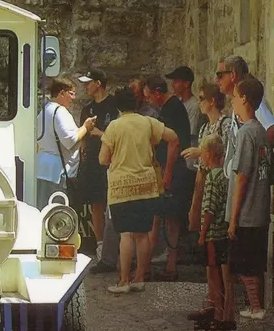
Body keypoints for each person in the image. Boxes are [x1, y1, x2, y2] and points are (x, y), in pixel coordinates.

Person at [99, 87, 180, 294]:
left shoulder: (114, 127)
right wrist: (167, 170)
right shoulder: (147, 122)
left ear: (118, 106)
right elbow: (173, 138)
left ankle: (124, 280)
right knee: (142, 234)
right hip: (146, 186)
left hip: (121, 188)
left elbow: (103, 159)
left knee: (126, 234)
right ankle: (139, 278)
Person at [226, 77, 271, 320]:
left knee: (246, 263)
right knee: (256, 261)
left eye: (234, 96)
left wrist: (233, 218)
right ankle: (257, 305)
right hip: (261, 209)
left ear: (244, 98)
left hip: (248, 211)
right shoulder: (262, 132)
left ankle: (256, 306)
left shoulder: (245, 133)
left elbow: (242, 177)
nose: (232, 100)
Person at [144, 75, 194, 281]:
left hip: (174, 170)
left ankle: (166, 265)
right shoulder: (169, 108)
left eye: (148, 97)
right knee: (164, 218)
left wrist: (168, 172)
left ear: (157, 93)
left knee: (166, 218)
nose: (147, 101)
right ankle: (163, 264)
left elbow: (174, 143)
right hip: (170, 169)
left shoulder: (171, 108)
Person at [188, 133, 235, 331]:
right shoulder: (223, 176)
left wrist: (201, 233)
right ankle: (218, 311)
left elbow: (209, 209)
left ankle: (218, 313)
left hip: (213, 234)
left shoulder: (213, 177)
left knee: (214, 275)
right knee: (218, 274)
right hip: (221, 232)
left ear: (208, 154)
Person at [77, 69, 119, 265]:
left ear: (99, 83)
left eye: (88, 82)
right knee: (96, 205)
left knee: (113, 206)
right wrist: (83, 154)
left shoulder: (114, 106)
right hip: (93, 163)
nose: (85, 86)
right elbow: (83, 137)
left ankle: (115, 249)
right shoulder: (87, 109)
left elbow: (117, 137)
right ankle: (100, 246)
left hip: (113, 163)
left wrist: (97, 132)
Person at [36, 77, 96, 210]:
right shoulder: (60, 112)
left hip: (44, 169)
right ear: (62, 93)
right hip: (58, 173)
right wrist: (86, 127)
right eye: (72, 93)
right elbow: (70, 139)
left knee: (44, 210)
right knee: (58, 214)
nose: (73, 98)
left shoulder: (44, 111)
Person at [182, 83, 232, 232]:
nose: (199, 102)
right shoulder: (204, 128)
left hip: (218, 183)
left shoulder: (225, 125)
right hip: (203, 179)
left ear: (212, 101)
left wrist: (200, 151)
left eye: (202, 98)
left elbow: (228, 154)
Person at [166, 66, 206, 172]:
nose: (173, 85)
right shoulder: (179, 103)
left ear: (186, 84)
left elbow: (189, 134)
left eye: (176, 81)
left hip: (189, 161)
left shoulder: (194, 106)